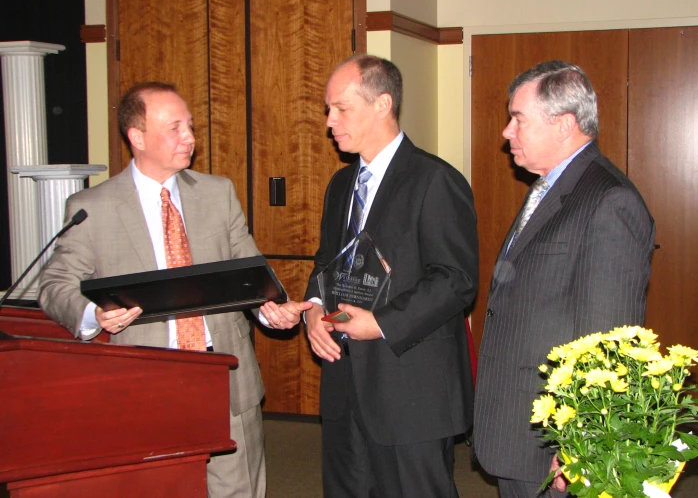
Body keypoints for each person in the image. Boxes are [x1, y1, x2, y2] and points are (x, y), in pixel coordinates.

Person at [38, 82, 298, 498]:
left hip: (224, 373)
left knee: (237, 488)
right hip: (147, 378)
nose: (190, 138)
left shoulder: (218, 194)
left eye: (190, 126)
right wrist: (93, 315)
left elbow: (251, 275)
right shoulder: (94, 207)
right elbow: (54, 285)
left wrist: (271, 309)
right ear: (136, 137)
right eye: (175, 128)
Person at [260, 55, 478, 497]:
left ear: (382, 104)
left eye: (341, 108)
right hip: (345, 383)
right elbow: (327, 263)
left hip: (410, 387)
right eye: (328, 109)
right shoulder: (341, 185)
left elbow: (455, 279)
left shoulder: (434, 180)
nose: (329, 122)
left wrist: (380, 323)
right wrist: (314, 311)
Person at [472, 61, 656, 497]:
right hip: (518, 421)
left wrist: (582, 443)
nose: (506, 132)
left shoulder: (609, 200)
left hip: (552, 438)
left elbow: (609, 342)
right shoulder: (550, 186)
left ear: (563, 125)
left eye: (518, 119)